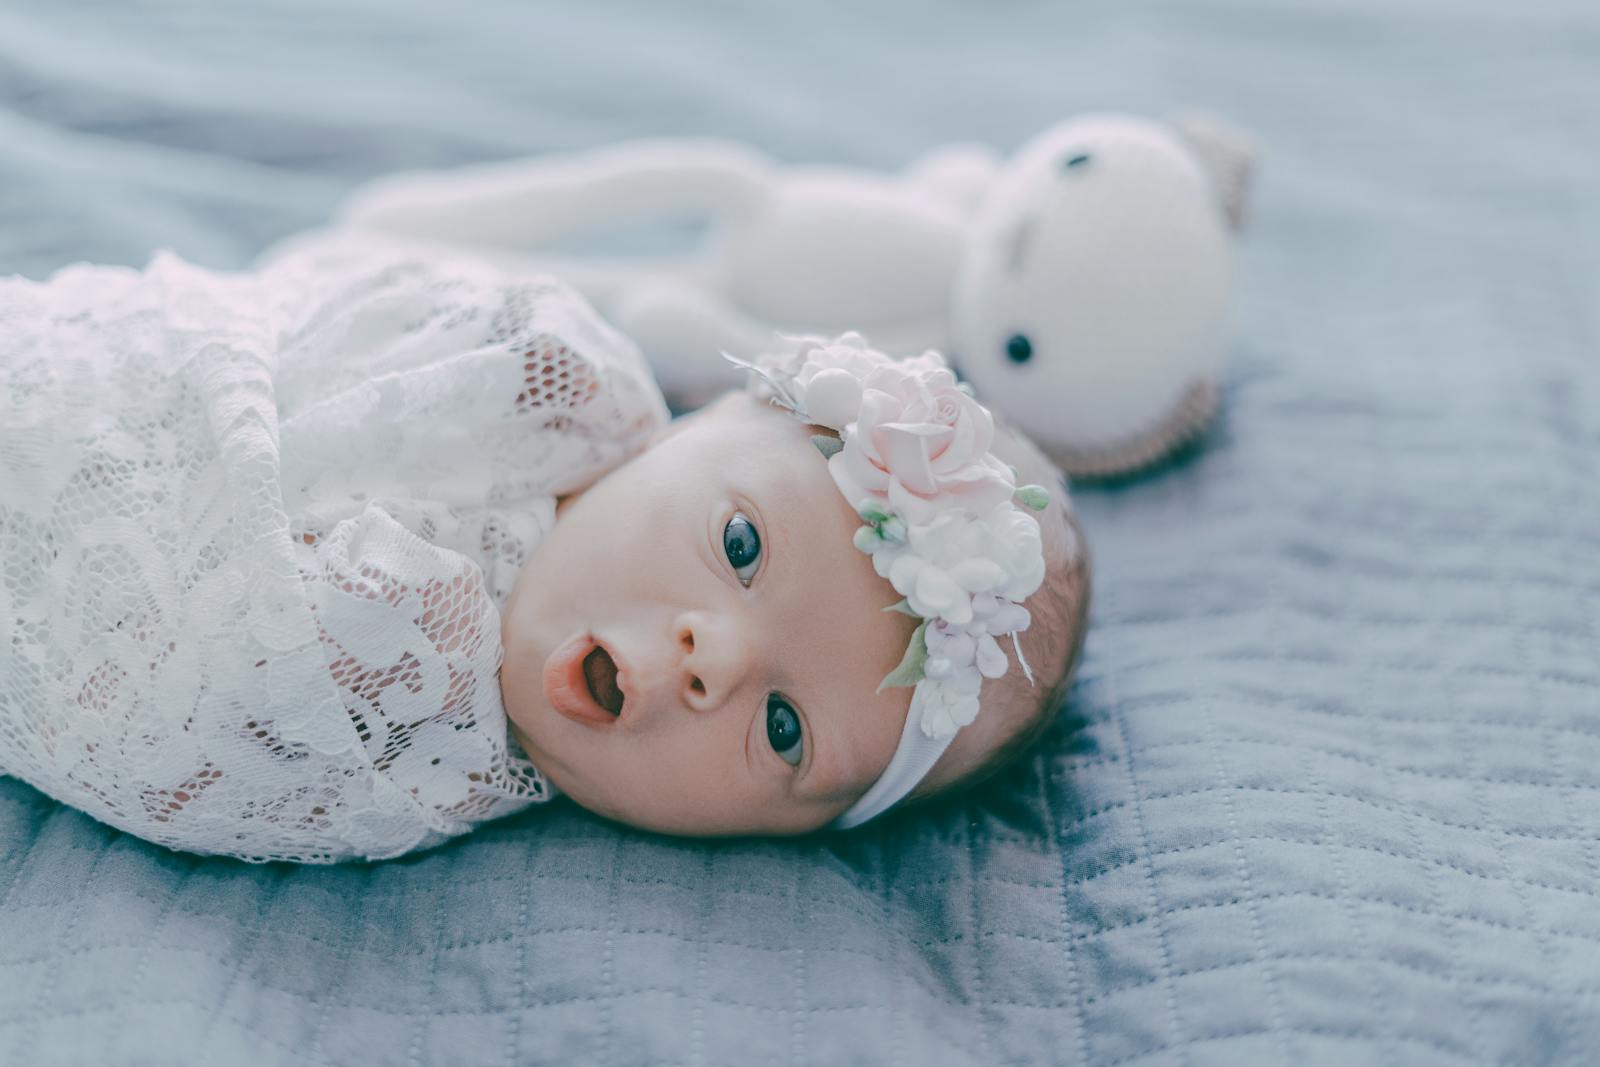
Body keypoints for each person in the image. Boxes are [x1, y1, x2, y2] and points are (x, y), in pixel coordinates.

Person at [0, 233, 1089, 863]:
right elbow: (317, 302)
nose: (716, 656)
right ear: (691, 421)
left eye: (784, 725)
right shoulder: (543, 368)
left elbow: (169, 745)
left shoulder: (432, 773)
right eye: (743, 542)